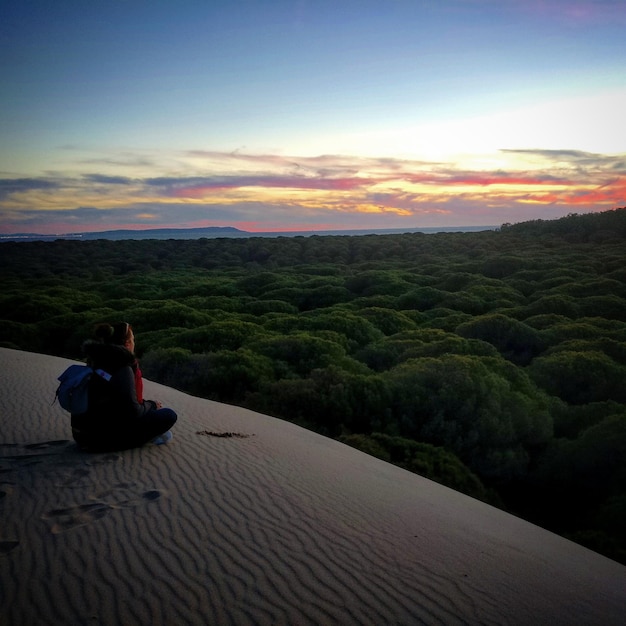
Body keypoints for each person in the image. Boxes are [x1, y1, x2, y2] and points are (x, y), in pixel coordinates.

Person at [71, 322, 177, 451]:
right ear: (127, 344)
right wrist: (152, 404)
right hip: (100, 441)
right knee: (169, 415)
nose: (134, 343)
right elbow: (134, 411)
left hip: (82, 435)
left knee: (151, 412)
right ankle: (147, 438)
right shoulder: (122, 367)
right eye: (133, 340)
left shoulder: (96, 359)